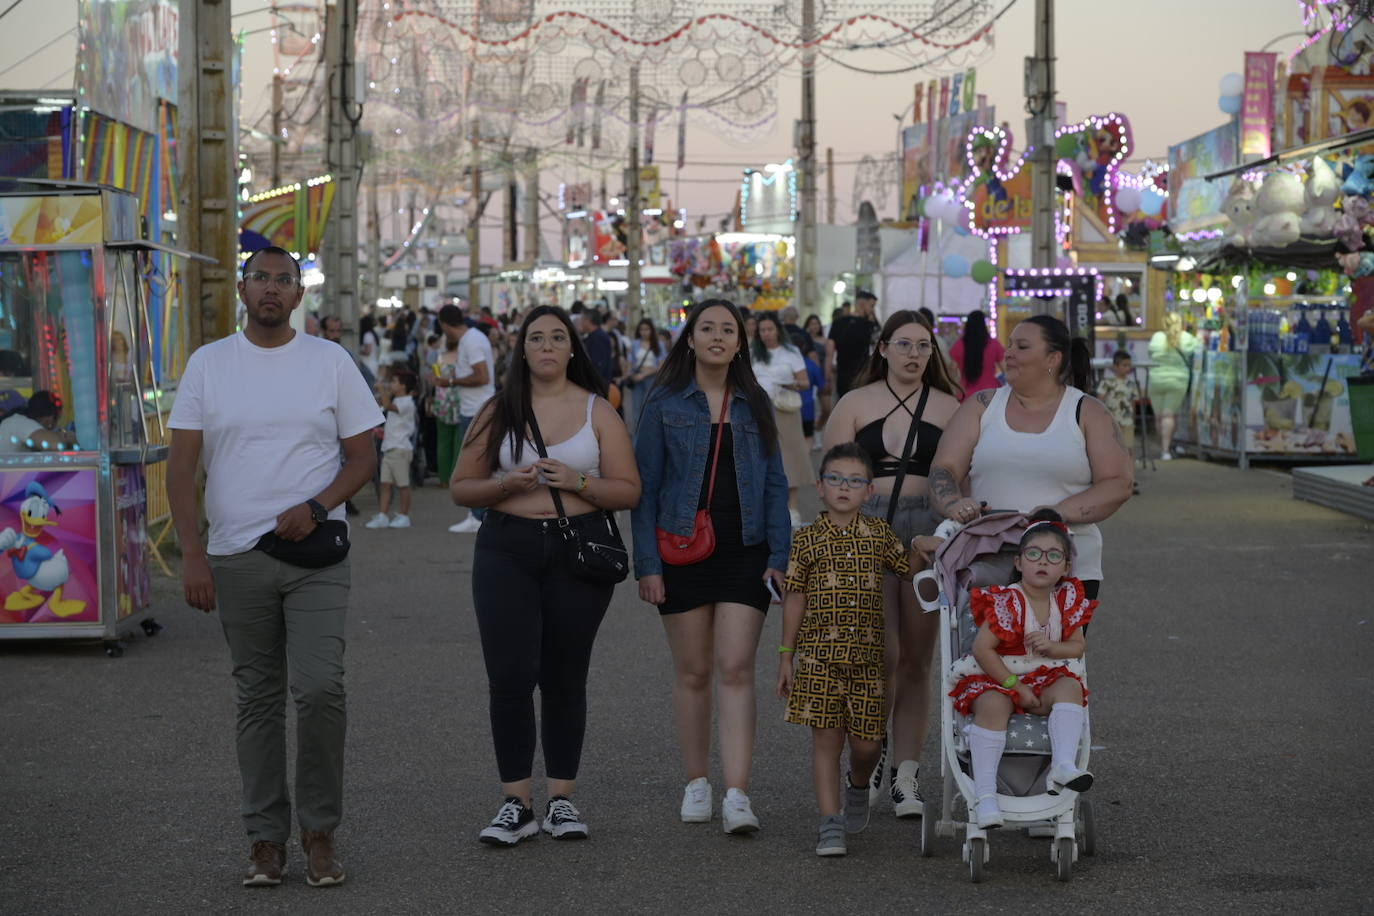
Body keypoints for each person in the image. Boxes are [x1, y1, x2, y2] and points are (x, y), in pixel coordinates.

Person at [166, 246, 380, 888]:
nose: (271, 289)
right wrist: (194, 557)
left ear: (298, 296)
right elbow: (180, 470)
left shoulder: (328, 360)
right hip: (235, 555)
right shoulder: (209, 364)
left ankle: (320, 832)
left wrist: (317, 506)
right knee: (257, 700)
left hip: (313, 555)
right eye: (260, 277)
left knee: (320, 689)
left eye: (283, 280)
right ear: (241, 287)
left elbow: (363, 455)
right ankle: (265, 840)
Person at [449, 306, 641, 845]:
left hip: (577, 551)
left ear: (573, 348)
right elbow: (462, 486)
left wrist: (579, 480)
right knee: (509, 677)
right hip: (505, 549)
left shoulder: (598, 410)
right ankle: (516, 802)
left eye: (559, 337)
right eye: (537, 338)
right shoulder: (497, 409)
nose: (548, 346)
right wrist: (505, 486)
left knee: (563, 676)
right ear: (523, 349)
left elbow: (628, 490)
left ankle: (561, 800)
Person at [632, 298, 791, 835]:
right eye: (708, 329)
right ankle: (697, 782)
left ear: (741, 343)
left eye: (729, 330)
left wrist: (779, 556)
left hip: (745, 550)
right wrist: (646, 565)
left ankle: (738, 793)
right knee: (694, 672)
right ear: (691, 339)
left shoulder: (755, 403)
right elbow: (646, 489)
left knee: (736, 668)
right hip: (679, 549)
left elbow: (774, 485)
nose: (719, 337)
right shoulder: (663, 402)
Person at [822, 309, 962, 815]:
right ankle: (870, 749)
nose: (914, 355)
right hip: (867, 527)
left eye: (923, 346)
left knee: (916, 659)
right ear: (882, 349)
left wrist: (946, 527)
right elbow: (834, 473)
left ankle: (907, 773)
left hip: (926, 533)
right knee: (878, 653)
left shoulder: (950, 407)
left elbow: (960, 476)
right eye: (903, 344)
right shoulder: (856, 402)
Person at [929, 314, 1134, 603]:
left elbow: (1118, 483)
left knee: (1054, 649)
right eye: (1010, 344)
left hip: (1069, 566)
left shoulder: (1087, 411)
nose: (1009, 352)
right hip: (988, 563)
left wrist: (1054, 516)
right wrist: (954, 503)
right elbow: (945, 468)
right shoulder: (981, 406)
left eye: (1022, 347)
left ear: (1053, 359)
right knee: (987, 649)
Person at [777, 443, 919, 856]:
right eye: (836, 479)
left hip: (869, 663)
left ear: (868, 491)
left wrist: (927, 547)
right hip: (819, 659)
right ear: (819, 487)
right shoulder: (805, 540)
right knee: (825, 741)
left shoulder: (879, 536)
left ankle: (858, 785)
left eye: (855, 481)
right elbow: (795, 596)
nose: (844, 487)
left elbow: (907, 568)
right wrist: (787, 655)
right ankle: (829, 822)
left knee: (867, 746)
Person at [949, 510, 1096, 828]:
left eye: (1053, 555)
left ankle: (1062, 766)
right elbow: (982, 649)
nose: (1043, 561)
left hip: (1044, 678)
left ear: (1066, 567)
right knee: (992, 702)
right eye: (1033, 553)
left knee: (1070, 686)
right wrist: (1015, 685)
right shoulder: (1007, 601)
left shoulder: (1066, 600)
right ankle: (986, 795)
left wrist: (1052, 647)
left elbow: (1077, 647)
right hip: (1000, 677)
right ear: (1018, 562)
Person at [434, 305, 495, 533]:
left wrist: (451, 382)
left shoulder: (471, 341)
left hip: (477, 410)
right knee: (478, 465)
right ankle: (477, 514)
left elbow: (482, 376)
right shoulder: (473, 338)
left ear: (444, 324)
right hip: (473, 408)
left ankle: (478, 516)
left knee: (475, 466)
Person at [751, 312, 815, 526]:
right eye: (763, 330)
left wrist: (787, 384)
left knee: (790, 457)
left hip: (784, 408)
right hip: (758, 409)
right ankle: (766, 507)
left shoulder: (791, 352)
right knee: (760, 455)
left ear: (778, 329)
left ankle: (792, 508)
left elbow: (805, 382)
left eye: (770, 329)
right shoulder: (753, 353)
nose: (767, 333)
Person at [366, 370, 418, 529]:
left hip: (400, 449)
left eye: (395, 381)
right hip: (389, 448)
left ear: (403, 385)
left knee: (403, 484)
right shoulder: (397, 399)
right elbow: (383, 404)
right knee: (385, 484)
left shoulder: (407, 402)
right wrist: (383, 392)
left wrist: (382, 388)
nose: (392, 384)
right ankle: (382, 515)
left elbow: (388, 405)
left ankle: (404, 515)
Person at [1147, 311, 1200, 459]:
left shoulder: (1157, 337)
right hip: (1178, 380)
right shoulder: (1187, 338)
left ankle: (1165, 447)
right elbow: (1199, 348)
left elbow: (1150, 353)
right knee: (1170, 415)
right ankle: (1166, 449)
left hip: (1156, 378)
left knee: (1159, 417)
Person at [828, 289, 881, 397]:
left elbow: (829, 350)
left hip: (843, 376)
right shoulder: (870, 326)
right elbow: (878, 347)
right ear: (862, 304)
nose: (872, 310)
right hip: (862, 376)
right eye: (871, 306)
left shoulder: (838, 323)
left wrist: (827, 374)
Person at [949, 310, 1005, 401]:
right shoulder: (994, 344)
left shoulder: (959, 345)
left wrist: (956, 388)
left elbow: (952, 371)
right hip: (991, 394)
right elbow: (1006, 369)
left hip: (966, 394)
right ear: (983, 325)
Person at [1097, 350, 1141, 461]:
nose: (1128, 368)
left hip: (1127, 422)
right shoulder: (1107, 382)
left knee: (1129, 449)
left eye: (1129, 365)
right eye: (1125, 365)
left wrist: (1133, 418)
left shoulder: (1131, 384)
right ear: (1115, 366)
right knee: (1111, 449)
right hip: (1111, 422)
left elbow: (1133, 402)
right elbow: (1100, 400)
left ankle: (1130, 476)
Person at [0, 391, 77, 454]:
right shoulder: (18, 422)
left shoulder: (15, 422)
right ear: (50, 419)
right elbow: (56, 445)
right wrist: (65, 435)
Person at [622, 317, 663, 433]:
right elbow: (631, 361)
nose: (644, 332)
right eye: (641, 329)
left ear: (652, 330)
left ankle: (651, 438)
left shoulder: (658, 344)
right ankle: (637, 443)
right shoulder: (635, 344)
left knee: (651, 410)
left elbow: (661, 365)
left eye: (647, 329)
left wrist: (644, 374)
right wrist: (630, 373)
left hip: (652, 379)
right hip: (637, 379)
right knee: (636, 411)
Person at [577, 308, 616, 385]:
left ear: (588, 320)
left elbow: (598, 364)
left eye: (582, 319)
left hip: (596, 386)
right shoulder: (593, 336)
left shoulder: (598, 337)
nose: (580, 322)